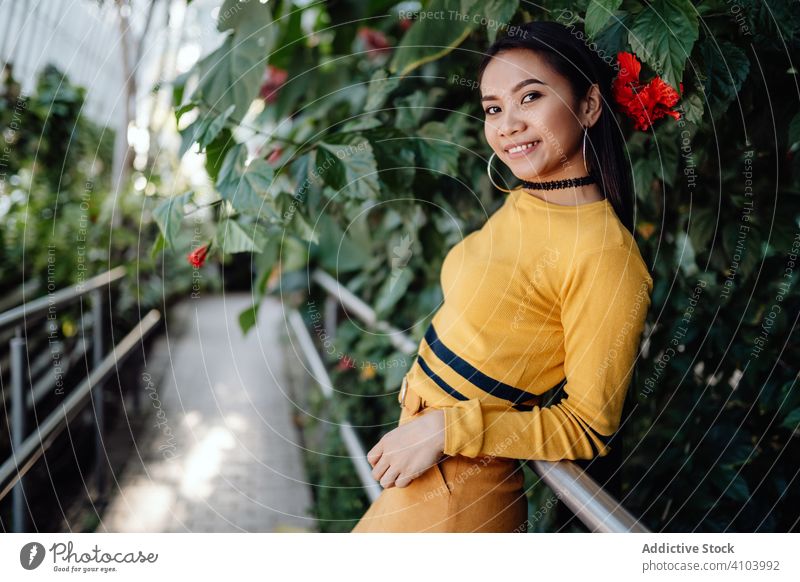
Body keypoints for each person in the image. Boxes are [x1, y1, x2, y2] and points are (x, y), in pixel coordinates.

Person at [351, 20, 653, 533]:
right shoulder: (525, 204)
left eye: (529, 97)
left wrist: (447, 429)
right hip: (423, 471)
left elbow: (588, 429)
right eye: (493, 108)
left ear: (589, 105)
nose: (507, 123)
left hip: (459, 493)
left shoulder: (606, 254)